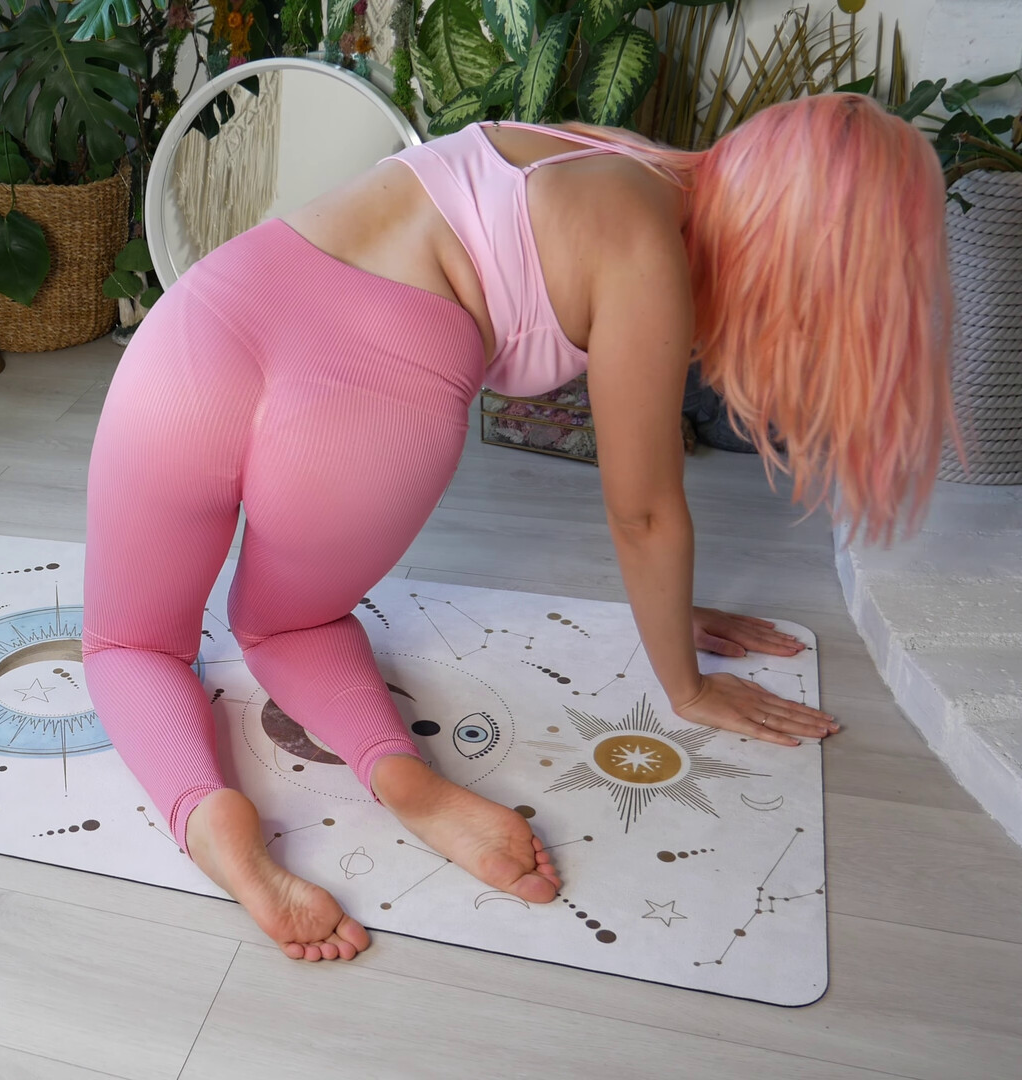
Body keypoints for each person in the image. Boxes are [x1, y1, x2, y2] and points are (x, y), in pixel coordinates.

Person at [80, 94, 952, 962]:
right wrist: (686, 687)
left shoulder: (611, 152)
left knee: (130, 643)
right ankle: (405, 780)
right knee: (287, 626)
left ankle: (207, 814)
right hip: (363, 404)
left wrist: (672, 607)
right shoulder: (647, 254)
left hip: (204, 323)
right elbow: (644, 511)